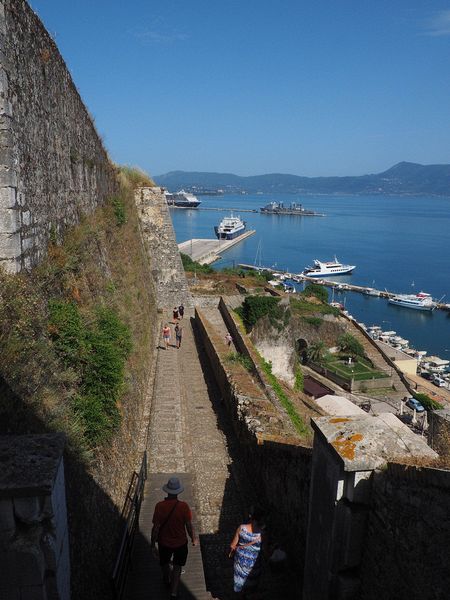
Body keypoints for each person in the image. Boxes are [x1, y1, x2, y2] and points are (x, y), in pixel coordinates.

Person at [151, 477, 197, 599]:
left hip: (164, 542)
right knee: (177, 567)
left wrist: (152, 545)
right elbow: (188, 525)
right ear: (178, 492)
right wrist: (193, 538)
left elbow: (156, 528)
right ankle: (174, 592)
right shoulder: (184, 507)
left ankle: (166, 580)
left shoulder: (159, 506)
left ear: (167, 491)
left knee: (165, 563)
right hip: (180, 542)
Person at [230, 507, 265, 595]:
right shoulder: (262, 533)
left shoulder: (241, 528)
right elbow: (265, 550)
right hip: (254, 564)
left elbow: (232, 545)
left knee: (240, 580)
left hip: (240, 561)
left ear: (250, 516)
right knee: (252, 583)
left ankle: (242, 595)